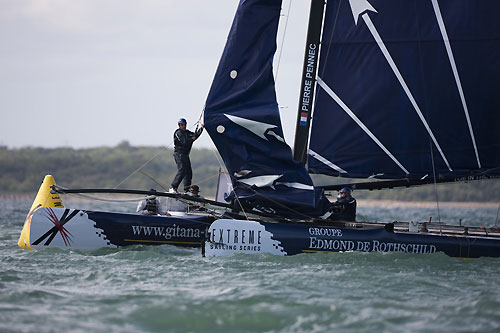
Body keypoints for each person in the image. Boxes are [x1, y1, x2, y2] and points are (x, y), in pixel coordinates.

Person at [170, 118, 204, 193]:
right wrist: (192, 139)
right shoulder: (178, 132)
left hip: (185, 155)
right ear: (179, 125)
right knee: (182, 170)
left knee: (188, 172)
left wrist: (201, 128)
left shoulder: (187, 132)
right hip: (179, 154)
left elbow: (195, 136)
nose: (184, 126)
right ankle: (173, 187)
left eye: (185, 125)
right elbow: (184, 142)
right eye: (182, 125)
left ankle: (187, 189)